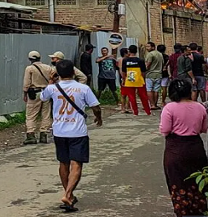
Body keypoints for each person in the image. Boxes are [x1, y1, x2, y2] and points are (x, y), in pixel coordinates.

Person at [40, 59, 102, 212]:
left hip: (59, 131)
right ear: (74, 72)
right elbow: (95, 106)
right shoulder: (83, 88)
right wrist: (98, 118)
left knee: (63, 163)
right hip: (77, 132)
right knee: (77, 164)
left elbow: (42, 97)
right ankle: (67, 194)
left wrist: (50, 80)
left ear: (58, 73)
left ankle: (69, 194)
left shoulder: (52, 88)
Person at [159, 79, 208, 217]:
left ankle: (183, 211)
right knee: (197, 180)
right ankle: (199, 209)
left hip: (176, 149)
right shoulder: (200, 107)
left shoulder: (169, 108)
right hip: (195, 147)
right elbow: (204, 129)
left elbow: (165, 130)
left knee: (177, 181)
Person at [22, 51, 54, 145]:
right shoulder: (48, 67)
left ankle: (31, 135)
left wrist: (25, 94)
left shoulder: (29, 68)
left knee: (31, 114)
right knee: (46, 114)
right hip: (46, 92)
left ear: (30, 59)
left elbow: (26, 83)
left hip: (34, 93)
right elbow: (53, 77)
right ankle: (43, 134)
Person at [121, 45, 151, 116]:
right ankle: (148, 112)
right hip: (139, 80)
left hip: (129, 81)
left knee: (131, 97)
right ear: (136, 51)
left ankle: (135, 112)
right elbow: (143, 72)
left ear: (129, 51)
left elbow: (123, 71)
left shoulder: (125, 60)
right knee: (143, 96)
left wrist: (124, 79)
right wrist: (142, 79)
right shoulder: (140, 60)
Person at [144, 42, 164, 110]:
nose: (147, 48)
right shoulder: (160, 54)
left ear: (153, 47)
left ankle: (152, 105)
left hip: (150, 74)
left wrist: (144, 70)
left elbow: (147, 65)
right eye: (146, 46)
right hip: (158, 74)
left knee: (149, 89)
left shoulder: (150, 54)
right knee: (156, 90)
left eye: (148, 46)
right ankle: (155, 104)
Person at [117, 48, 130, 113]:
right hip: (124, 77)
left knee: (129, 93)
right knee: (124, 94)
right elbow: (121, 70)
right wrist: (123, 78)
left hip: (129, 77)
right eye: (128, 52)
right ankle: (123, 108)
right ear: (125, 53)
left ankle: (127, 106)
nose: (129, 53)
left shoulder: (128, 59)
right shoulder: (121, 60)